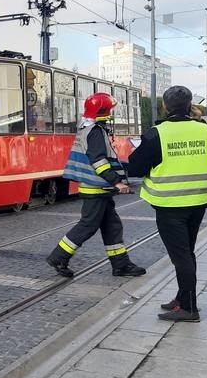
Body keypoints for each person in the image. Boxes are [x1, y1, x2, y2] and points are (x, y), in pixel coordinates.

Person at [128, 85, 207, 322]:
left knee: (181, 256)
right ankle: (183, 299)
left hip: (170, 204)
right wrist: (198, 121)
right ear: (190, 106)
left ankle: (189, 308)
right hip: (198, 201)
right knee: (186, 252)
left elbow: (135, 167)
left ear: (165, 106)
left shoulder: (157, 133)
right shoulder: (205, 130)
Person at [46, 92, 146, 278]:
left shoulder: (88, 128)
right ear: (105, 111)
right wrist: (117, 182)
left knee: (112, 227)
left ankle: (121, 264)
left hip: (98, 188)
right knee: (88, 225)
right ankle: (59, 256)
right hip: (96, 188)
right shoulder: (95, 132)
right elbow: (98, 160)